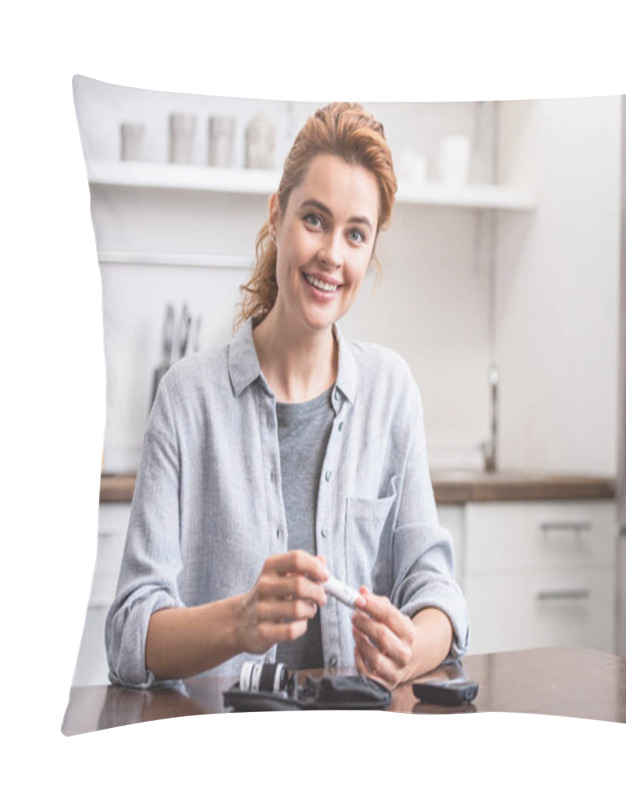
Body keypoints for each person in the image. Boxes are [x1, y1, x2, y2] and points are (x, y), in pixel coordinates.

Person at [105, 102, 470, 691]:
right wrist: (239, 621)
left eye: (356, 234)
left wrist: (414, 646)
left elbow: (437, 595)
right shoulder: (186, 399)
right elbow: (129, 631)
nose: (332, 254)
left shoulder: (391, 392)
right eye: (315, 220)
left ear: (369, 252)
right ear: (277, 216)